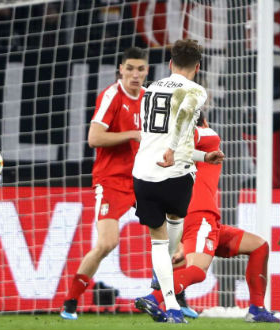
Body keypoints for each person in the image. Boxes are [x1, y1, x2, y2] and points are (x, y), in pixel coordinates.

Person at [138, 112, 279, 323]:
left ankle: (257, 309)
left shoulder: (167, 152)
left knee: (259, 246)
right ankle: (154, 298)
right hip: (200, 214)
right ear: (203, 121)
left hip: (193, 217)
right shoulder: (208, 135)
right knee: (198, 270)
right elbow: (189, 137)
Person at [60, 47, 148, 320]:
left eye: (141, 69)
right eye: (130, 68)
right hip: (111, 181)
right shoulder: (111, 96)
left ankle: (174, 299)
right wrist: (132, 134)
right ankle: (71, 303)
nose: (135, 74)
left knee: (171, 235)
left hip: (143, 179)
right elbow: (94, 138)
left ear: (147, 71)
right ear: (120, 69)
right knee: (107, 243)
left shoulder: (148, 98)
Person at [131, 39, 209, 323]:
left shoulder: (151, 89)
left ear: (169, 64)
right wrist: (174, 149)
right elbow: (186, 113)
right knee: (173, 230)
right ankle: (164, 291)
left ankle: (170, 306)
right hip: (175, 173)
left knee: (158, 244)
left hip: (143, 174)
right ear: (197, 67)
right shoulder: (196, 89)